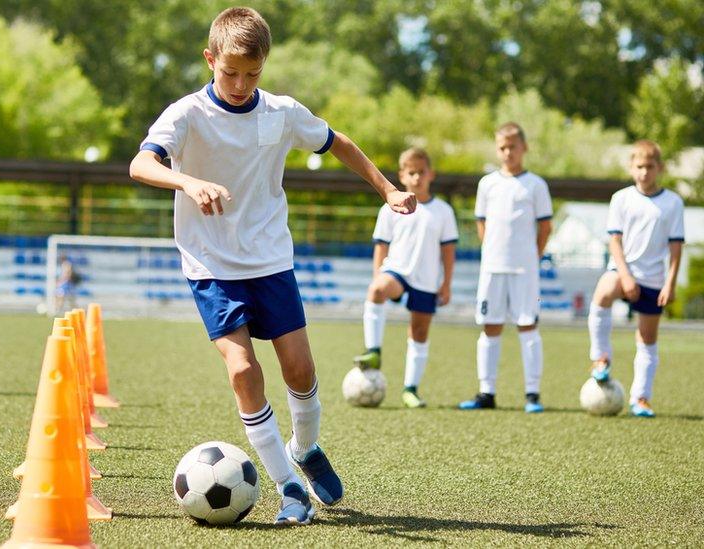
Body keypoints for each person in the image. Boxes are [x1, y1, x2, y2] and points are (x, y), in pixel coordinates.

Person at [129, 7, 416, 525]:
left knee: (300, 369)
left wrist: (388, 189)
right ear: (210, 58)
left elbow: (339, 143)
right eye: (229, 72)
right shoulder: (187, 114)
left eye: (252, 73)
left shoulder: (281, 112)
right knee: (243, 370)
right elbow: (141, 162)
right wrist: (187, 182)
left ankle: (306, 450)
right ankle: (288, 486)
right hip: (211, 263)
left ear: (264, 65)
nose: (240, 84)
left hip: (269, 260)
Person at [459, 122, 552, 413]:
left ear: (524, 147)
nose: (508, 152)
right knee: (490, 327)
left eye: (513, 146)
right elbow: (481, 222)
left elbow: (545, 226)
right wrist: (491, 252)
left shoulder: (536, 184)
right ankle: (487, 392)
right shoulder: (487, 184)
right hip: (493, 269)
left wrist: (532, 257)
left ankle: (532, 394)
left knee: (528, 327)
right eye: (502, 147)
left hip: (525, 270)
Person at [353, 148, 457, 408]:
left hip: (427, 279)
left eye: (422, 172)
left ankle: (410, 389)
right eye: (412, 172)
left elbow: (448, 251)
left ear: (431, 174)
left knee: (419, 331)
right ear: (402, 175)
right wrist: (378, 275)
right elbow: (381, 245)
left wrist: (446, 284)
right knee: (376, 290)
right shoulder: (390, 207)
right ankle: (374, 352)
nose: (417, 177)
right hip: (397, 271)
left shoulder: (443, 211)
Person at [587, 140, 683, 418]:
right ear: (631, 168)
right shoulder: (621, 198)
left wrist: (670, 283)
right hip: (623, 271)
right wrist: (626, 276)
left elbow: (676, 247)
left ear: (660, 168)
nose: (644, 172)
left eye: (650, 167)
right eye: (639, 167)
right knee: (604, 291)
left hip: (654, 279)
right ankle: (600, 358)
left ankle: (640, 398)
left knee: (647, 339)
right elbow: (614, 242)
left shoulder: (672, 202)